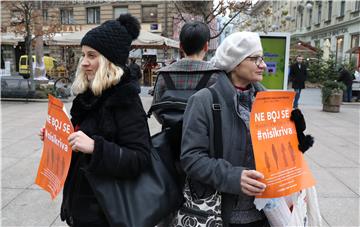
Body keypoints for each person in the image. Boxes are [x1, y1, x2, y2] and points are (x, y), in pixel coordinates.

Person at [39, 14, 151, 227]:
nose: (84, 63)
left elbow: (140, 159)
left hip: (108, 212)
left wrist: (95, 147)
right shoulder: (88, 96)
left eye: (92, 55)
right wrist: (57, 138)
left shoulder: (125, 100)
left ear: (109, 60)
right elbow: (78, 140)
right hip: (82, 204)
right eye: (83, 55)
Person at [180, 31, 269, 227]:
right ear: (235, 63)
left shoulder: (267, 99)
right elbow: (191, 158)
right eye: (255, 59)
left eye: (262, 58)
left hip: (267, 213)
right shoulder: (203, 100)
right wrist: (233, 177)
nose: (262, 65)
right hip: (223, 214)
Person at [152, 21, 219, 115]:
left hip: (171, 129)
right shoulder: (217, 76)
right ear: (206, 46)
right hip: (205, 129)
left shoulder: (164, 75)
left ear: (180, 46)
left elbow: (156, 108)